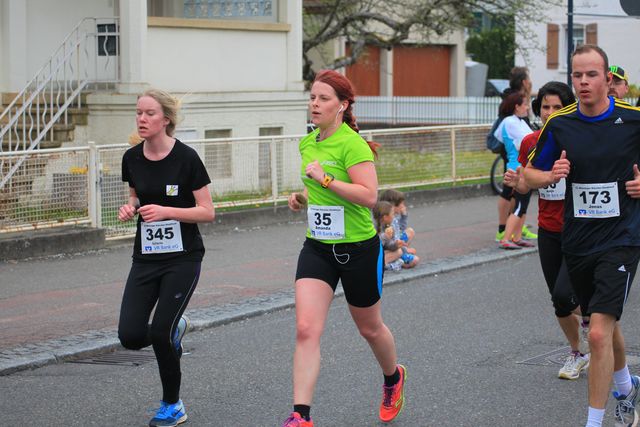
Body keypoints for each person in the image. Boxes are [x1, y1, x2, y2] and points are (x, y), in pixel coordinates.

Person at [524, 44, 640, 427]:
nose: (584, 81)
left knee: (598, 333)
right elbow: (528, 175)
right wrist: (550, 175)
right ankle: (626, 388)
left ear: (607, 78)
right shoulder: (561, 124)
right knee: (605, 323)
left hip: (622, 238)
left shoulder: (633, 120)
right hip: (578, 240)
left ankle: (594, 421)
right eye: (577, 75)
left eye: (592, 74)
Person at [284, 69, 406, 427]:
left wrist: (325, 178)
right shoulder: (308, 142)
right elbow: (317, 190)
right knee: (306, 328)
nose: (315, 104)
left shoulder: (353, 144)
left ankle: (393, 377)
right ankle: (301, 415)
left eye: (323, 98)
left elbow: (368, 196)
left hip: (359, 250)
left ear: (342, 105)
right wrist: (303, 197)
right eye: (312, 97)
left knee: (370, 329)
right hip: (318, 248)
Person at [117, 89, 215, 427]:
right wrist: (130, 207)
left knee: (160, 332)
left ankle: (172, 405)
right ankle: (177, 327)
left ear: (166, 119)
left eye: (149, 113)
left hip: (183, 259)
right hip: (146, 258)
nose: (142, 119)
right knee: (130, 336)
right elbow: (135, 196)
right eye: (138, 113)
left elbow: (207, 211)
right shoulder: (131, 158)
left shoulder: (186, 158)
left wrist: (167, 211)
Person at [504, 81, 590, 379]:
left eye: (557, 107)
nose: (549, 112)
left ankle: (598, 320)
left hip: (580, 229)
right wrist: (517, 182)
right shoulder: (531, 141)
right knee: (559, 300)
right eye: (545, 107)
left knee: (566, 295)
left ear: (568, 108)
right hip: (548, 228)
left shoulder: (580, 139)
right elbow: (525, 185)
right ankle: (578, 352)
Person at [495, 66, 538, 243]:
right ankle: (506, 236)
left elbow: (499, 136)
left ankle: (517, 235)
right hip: (518, 167)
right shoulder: (512, 122)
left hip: (517, 164)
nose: (527, 108)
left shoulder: (514, 122)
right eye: (525, 105)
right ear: (516, 107)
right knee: (519, 204)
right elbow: (530, 141)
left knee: (522, 203)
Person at [373, 200, 419, 271]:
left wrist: (396, 245)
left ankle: (396, 261)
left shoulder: (388, 225)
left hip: (388, 252)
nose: (393, 216)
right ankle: (393, 264)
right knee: (399, 253)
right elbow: (375, 247)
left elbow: (389, 244)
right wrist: (385, 237)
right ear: (385, 217)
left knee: (414, 259)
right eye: (392, 214)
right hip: (375, 256)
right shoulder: (373, 227)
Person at [379, 189, 416, 253]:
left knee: (410, 231)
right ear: (393, 206)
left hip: (395, 243)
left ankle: (403, 252)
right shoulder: (387, 220)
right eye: (401, 203)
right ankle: (402, 253)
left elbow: (401, 229)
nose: (403, 206)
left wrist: (404, 216)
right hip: (391, 246)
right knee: (414, 258)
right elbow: (391, 241)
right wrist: (405, 250)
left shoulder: (394, 217)